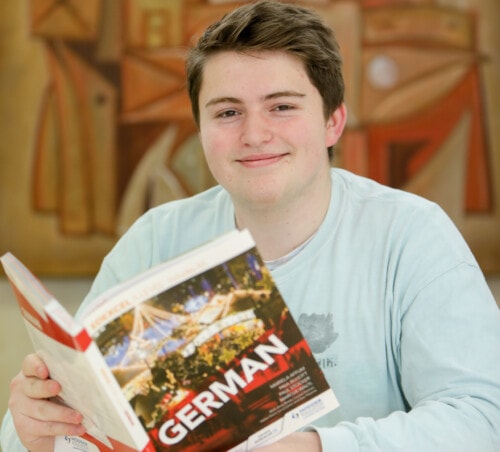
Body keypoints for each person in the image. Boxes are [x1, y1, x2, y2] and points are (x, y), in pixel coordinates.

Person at [2, 1, 500, 451]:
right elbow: (50, 431)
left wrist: (313, 449)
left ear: (333, 121)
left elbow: (483, 419)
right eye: (227, 112)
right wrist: (34, 432)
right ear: (200, 130)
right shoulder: (156, 240)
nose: (255, 134)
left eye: (282, 106)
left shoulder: (410, 235)